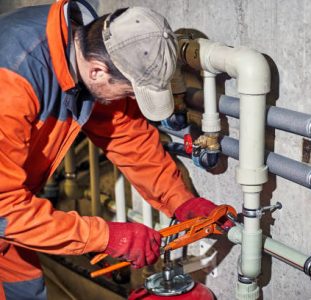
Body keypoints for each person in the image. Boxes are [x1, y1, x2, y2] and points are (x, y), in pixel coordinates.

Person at [0, 1, 229, 299]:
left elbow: (127, 134)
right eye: (131, 92)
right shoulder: (12, 83)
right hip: (8, 210)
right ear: (97, 71)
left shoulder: (90, 45)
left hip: (12, 220)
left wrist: (180, 201)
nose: (131, 98)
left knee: (25, 289)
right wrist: (108, 237)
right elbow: (4, 209)